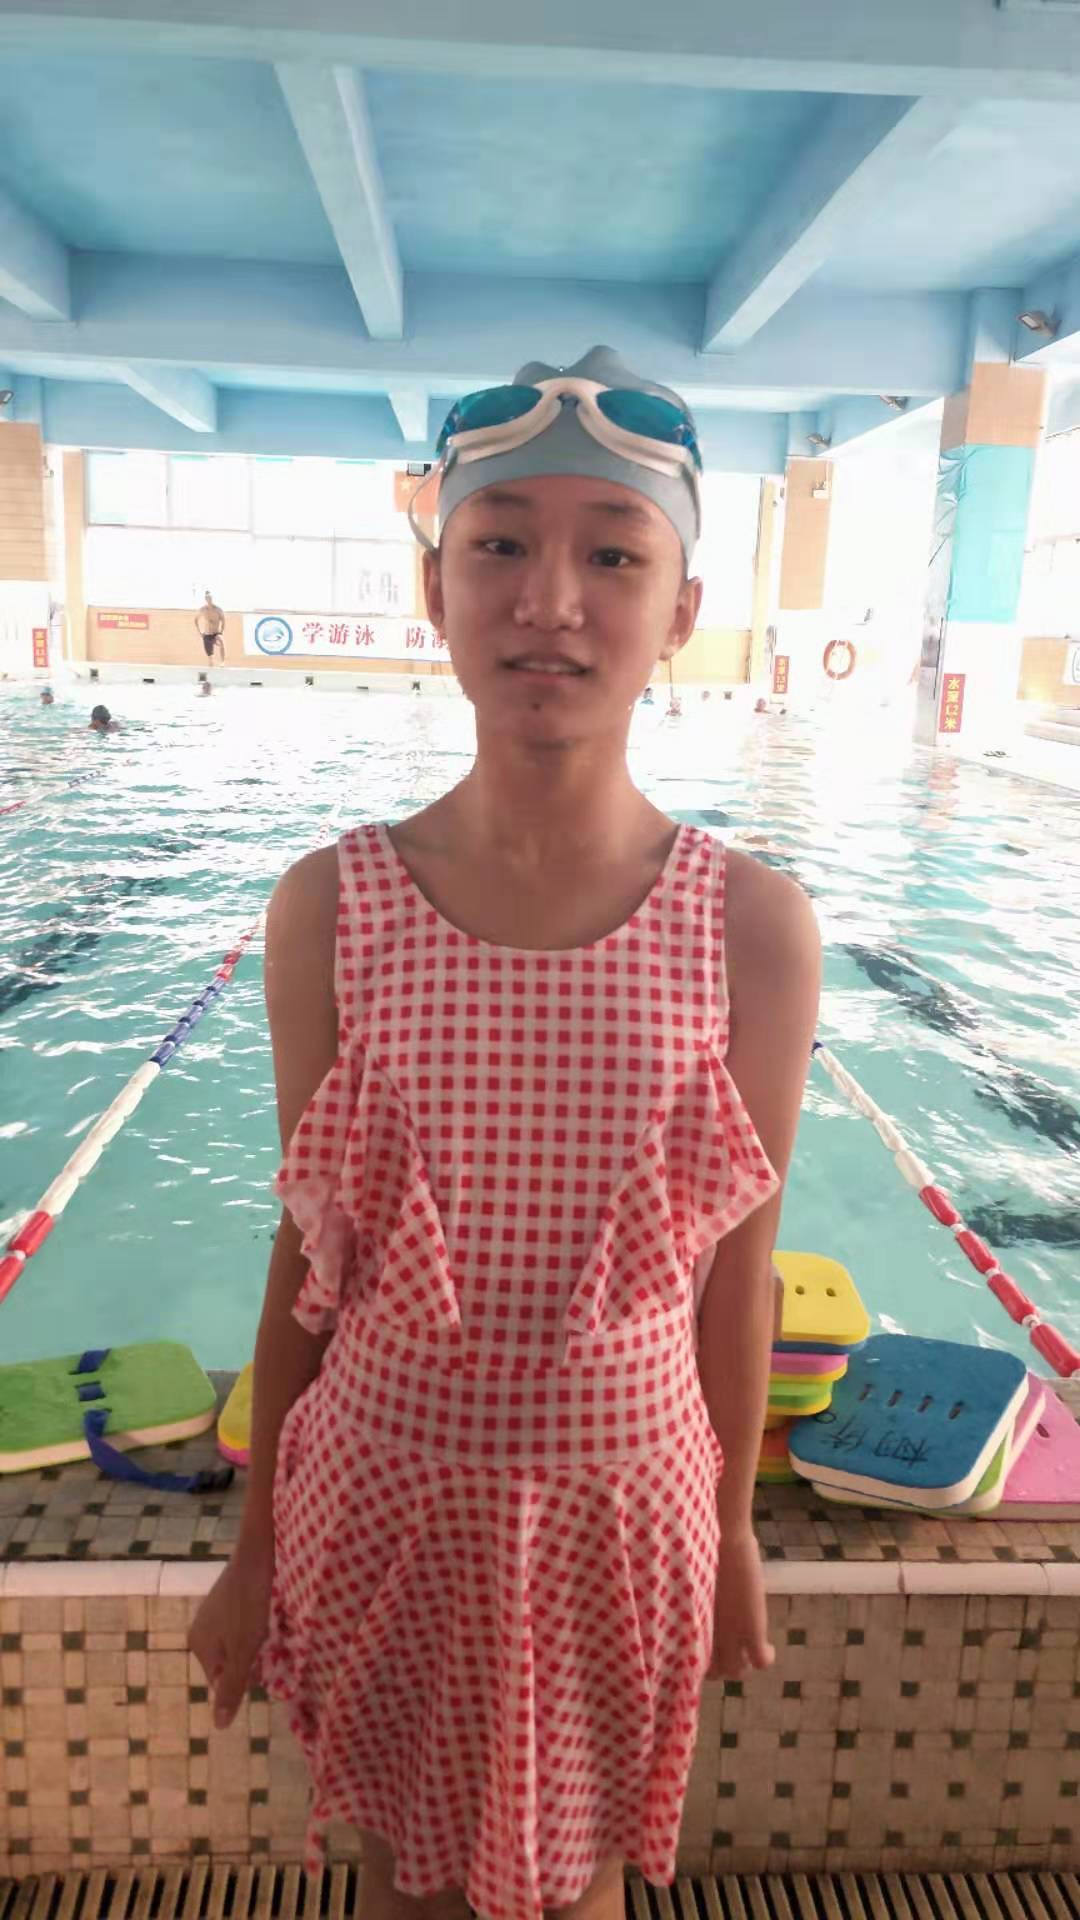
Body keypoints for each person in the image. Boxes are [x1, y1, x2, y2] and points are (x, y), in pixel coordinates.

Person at [189, 345, 820, 1920]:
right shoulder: (331, 902)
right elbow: (309, 1250)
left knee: (584, 1882)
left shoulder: (750, 923)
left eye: (613, 555)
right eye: (501, 544)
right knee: (401, 1877)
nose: (550, 600)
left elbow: (742, 1273)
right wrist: (253, 1548)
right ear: (436, 587)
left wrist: (734, 1530)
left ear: (681, 608)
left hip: (626, 1509)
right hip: (381, 1491)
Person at [196, 590, 226, 663]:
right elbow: (196, 620)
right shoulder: (202, 610)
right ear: (205, 599)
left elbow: (223, 621)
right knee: (210, 657)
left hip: (216, 633)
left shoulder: (218, 610)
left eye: (210, 597)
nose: (209, 599)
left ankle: (222, 662)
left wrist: (221, 632)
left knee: (221, 641)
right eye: (207, 598)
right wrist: (199, 632)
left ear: (212, 598)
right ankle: (211, 665)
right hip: (206, 634)